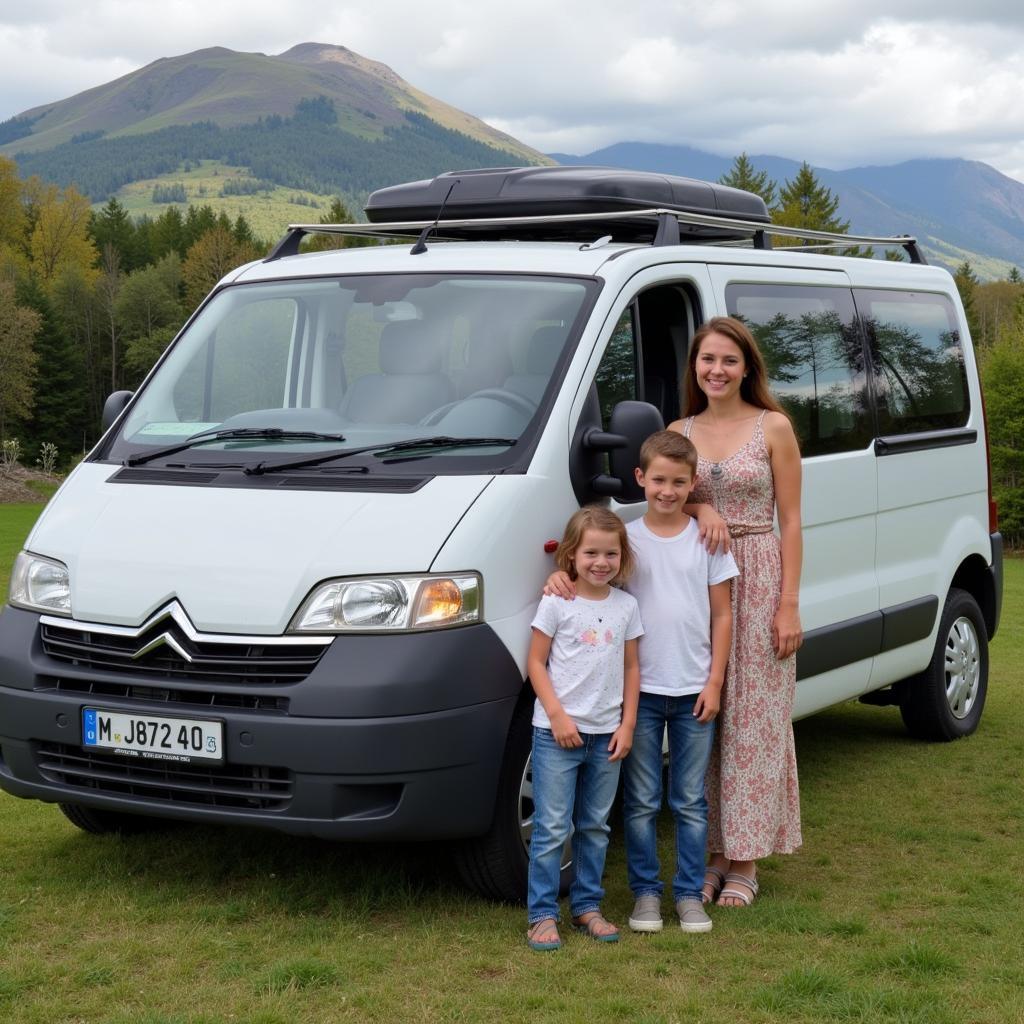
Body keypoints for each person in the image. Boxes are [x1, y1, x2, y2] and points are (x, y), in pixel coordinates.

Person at [546, 432, 738, 933]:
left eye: (679, 482)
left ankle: (689, 895)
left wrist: (715, 682)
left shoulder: (708, 539)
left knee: (690, 801)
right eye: (658, 480)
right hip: (642, 694)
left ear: (693, 484)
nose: (668, 491)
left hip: (695, 686)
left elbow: (722, 615)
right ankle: (646, 895)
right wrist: (558, 577)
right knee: (642, 801)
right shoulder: (627, 539)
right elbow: (594, 573)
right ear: (640, 479)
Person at [668, 314, 803, 908]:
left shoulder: (773, 427)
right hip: (694, 582)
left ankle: (744, 859)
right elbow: (669, 498)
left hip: (760, 572)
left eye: (728, 360)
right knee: (704, 716)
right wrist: (702, 511)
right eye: (707, 360)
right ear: (694, 367)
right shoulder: (680, 429)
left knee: (755, 719)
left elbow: (792, 521)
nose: (716, 370)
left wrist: (788, 605)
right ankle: (710, 855)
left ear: (747, 366)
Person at [525, 506, 643, 951]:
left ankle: (587, 906)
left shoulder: (626, 606)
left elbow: (632, 667)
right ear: (572, 556)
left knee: (595, 826)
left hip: (607, 735)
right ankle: (541, 915)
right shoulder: (557, 602)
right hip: (557, 734)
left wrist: (627, 724)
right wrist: (556, 715)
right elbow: (536, 662)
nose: (601, 562)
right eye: (591, 552)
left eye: (610, 554)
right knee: (554, 827)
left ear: (622, 557)